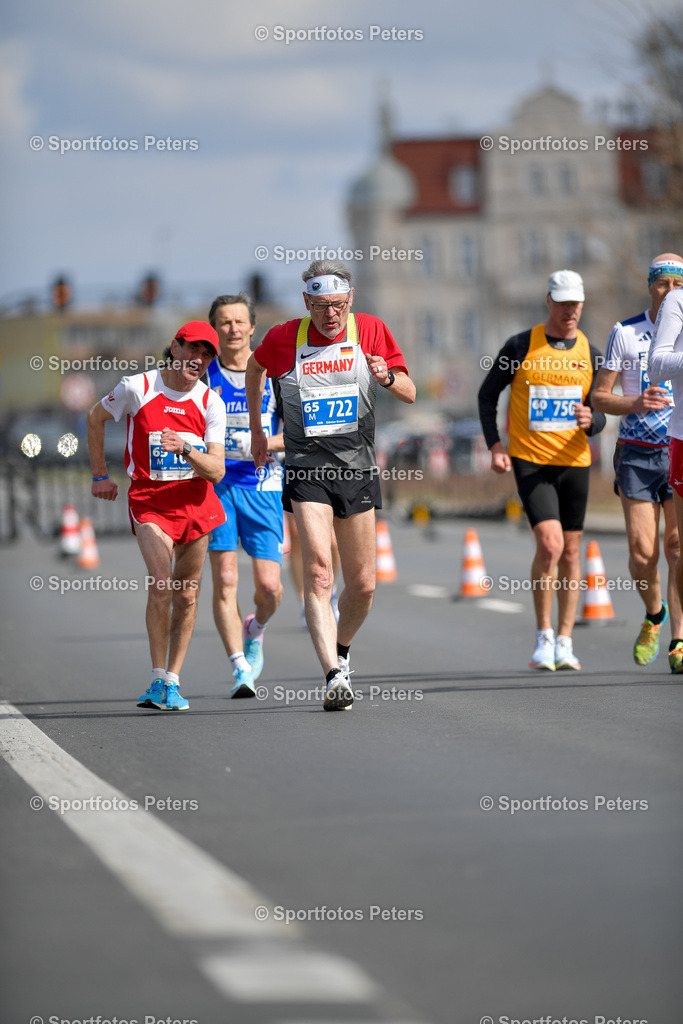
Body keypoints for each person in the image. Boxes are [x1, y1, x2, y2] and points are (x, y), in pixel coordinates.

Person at [245, 259, 415, 710]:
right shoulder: (286, 337)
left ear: (350, 300)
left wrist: (387, 376)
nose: (331, 315)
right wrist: (260, 430)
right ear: (307, 303)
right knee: (319, 571)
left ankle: (341, 649)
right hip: (307, 467)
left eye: (338, 305)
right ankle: (333, 675)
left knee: (363, 586)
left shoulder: (371, 330)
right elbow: (255, 368)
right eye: (320, 307)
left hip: (355, 468)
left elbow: (410, 392)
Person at [87, 321, 227, 711]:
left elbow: (216, 471)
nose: (197, 358)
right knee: (162, 582)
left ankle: (172, 681)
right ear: (175, 347)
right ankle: (155, 676)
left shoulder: (209, 402)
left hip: (196, 502)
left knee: (186, 593)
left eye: (206, 353)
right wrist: (100, 474)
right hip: (150, 500)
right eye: (191, 349)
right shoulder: (137, 387)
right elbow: (94, 418)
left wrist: (186, 450)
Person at [478, 270, 606, 671]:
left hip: (575, 461)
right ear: (548, 301)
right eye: (563, 303)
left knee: (570, 551)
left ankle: (565, 640)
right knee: (549, 545)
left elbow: (602, 407)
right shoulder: (520, 345)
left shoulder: (592, 352)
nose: (570, 311)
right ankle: (543, 634)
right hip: (531, 460)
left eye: (576, 304)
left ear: (582, 305)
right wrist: (495, 446)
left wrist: (594, 421)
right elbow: (487, 394)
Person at [592, 253, 683, 670]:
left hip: (676, 449)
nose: (669, 293)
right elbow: (599, 396)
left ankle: (678, 640)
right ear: (650, 286)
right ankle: (654, 614)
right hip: (637, 454)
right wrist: (635, 401)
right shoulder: (625, 332)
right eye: (662, 284)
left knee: (676, 547)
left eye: (677, 285)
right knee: (642, 550)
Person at [205, 293, 285, 698]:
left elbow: (301, 430)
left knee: (270, 588)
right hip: (217, 487)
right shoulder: (204, 376)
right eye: (224, 323)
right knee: (225, 578)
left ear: (253, 327)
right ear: (215, 330)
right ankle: (240, 667)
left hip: (263, 485)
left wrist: (265, 441)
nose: (233, 329)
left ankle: (254, 629)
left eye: (239, 322)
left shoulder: (274, 372)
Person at [648, 265, 683, 673]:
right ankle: (673, 629)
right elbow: (656, 364)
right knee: (666, 551)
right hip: (679, 440)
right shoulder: (678, 302)